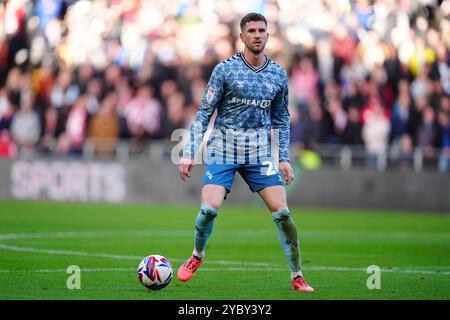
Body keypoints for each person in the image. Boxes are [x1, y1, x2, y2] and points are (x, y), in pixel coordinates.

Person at [177, 13, 314, 292]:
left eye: (262, 30)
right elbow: (204, 113)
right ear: (242, 37)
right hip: (223, 148)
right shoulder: (225, 70)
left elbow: (281, 119)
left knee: (283, 213)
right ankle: (197, 255)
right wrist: (190, 151)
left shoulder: (277, 74)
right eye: (251, 30)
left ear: (267, 35)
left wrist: (284, 158)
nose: (257, 35)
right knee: (208, 209)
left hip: (259, 153)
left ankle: (297, 276)